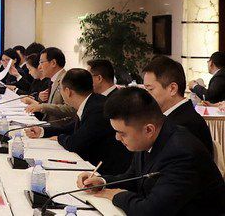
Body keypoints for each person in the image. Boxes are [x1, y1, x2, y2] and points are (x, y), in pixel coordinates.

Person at [77, 87, 225, 215]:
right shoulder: (151, 136)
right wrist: (102, 182)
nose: (117, 138)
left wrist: (117, 196)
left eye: (122, 133)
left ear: (148, 130)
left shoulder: (182, 153)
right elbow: (134, 177)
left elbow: (150, 211)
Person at [25, 69, 131, 174]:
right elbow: (69, 128)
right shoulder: (92, 102)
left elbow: (75, 143)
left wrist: (59, 138)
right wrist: (42, 131)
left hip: (106, 171)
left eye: (60, 89)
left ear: (68, 91)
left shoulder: (97, 109)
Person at [143, 55, 213, 156]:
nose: (145, 96)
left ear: (172, 89)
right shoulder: (168, 118)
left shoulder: (187, 125)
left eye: (150, 89)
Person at [25, 47, 76, 122]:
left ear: (53, 63)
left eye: (41, 62)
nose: (39, 67)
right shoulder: (53, 79)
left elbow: (71, 109)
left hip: (58, 127)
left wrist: (42, 107)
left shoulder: (66, 79)